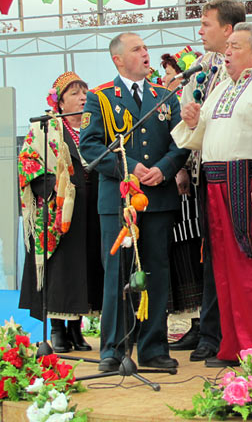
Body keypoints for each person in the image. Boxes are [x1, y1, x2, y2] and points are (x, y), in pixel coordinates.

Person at [172, 22, 252, 367]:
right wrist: (193, 121)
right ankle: (232, 344)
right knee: (223, 268)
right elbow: (200, 137)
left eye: (236, 46)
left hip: (246, 183)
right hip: (214, 183)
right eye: (228, 46)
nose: (228, 52)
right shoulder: (220, 87)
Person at [79, 32, 189, 372]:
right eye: (137, 49)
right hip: (119, 200)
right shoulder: (100, 97)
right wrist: (128, 168)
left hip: (157, 199)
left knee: (155, 272)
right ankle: (113, 349)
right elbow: (90, 146)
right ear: (118, 59)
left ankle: (153, 348)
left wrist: (164, 168)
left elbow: (181, 142)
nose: (145, 53)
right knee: (117, 274)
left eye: (145, 48)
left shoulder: (164, 96)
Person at [176, 0, 247, 361]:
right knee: (206, 253)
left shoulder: (248, 69)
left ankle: (222, 332)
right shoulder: (201, 68)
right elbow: (187, 117)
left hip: (237, 175)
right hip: (202, 174)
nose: (200, 31)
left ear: (228, 29)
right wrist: (180, 166)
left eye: (206, 24)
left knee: (230, 254)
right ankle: (207, 328)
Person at [19, 72, 103, 353]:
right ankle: (57, 329)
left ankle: (76, 329)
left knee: (86, 266)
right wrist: (54, 190)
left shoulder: (95, 126)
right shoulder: (45, 129)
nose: (83, 98)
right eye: (74, 94)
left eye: (85, 92)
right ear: (60, 103)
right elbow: (28, 163)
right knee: (60, 268)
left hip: (91, 207)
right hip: (59, 209)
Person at [154, 46, 207, 353]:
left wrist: (182, 168)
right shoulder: (163, 103)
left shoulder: (190, 101)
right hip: (173, 190)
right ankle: (191, 322)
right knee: (180, 255)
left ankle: (200, 323)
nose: (166, 80)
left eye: (172, 74)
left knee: (192, 253)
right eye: (165, 75)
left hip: (191, 187)